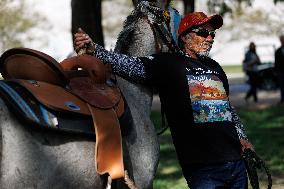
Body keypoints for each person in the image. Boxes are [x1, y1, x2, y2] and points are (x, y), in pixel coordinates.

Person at [74, 12, 254, 189]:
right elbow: (131, 65)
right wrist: (95, 49)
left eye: (212, 34)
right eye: (203, 33)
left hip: (236, 161)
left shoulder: (215, 67)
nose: (209, 38)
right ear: (185, 37)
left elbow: (226, 106)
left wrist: (242, 137)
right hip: (203, 167)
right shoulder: (169, 64)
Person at [275, 35, 284, 104]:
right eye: (281, 39)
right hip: (281, 71)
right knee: (282, 86)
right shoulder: (278, 51)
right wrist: (277, 71)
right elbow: (276, 62)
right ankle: (282, 99)